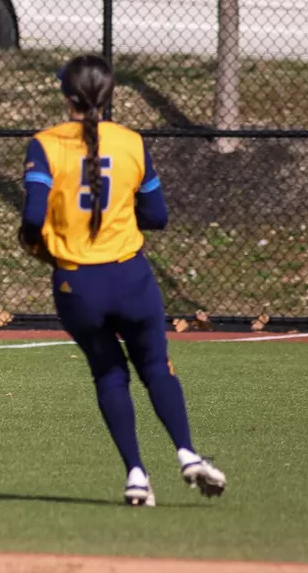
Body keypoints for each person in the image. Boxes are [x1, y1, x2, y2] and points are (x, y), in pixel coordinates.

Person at [18, 55, 226, 507]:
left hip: (78, 286)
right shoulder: (131, 142)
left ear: (66, 96)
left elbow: (33, 218)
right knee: (156, 367)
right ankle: (188, 454)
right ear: (109, 95)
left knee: (110, 374)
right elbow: (157, 215)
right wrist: (115, 214)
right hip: (131, 279)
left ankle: (136, 475)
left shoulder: (44, 145)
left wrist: (41, 246)